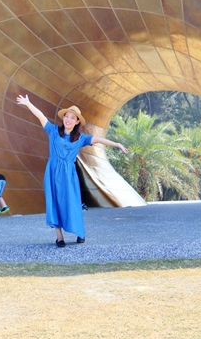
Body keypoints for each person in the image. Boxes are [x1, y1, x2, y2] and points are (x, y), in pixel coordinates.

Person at [15, 94, 128, 247]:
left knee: (72, 202)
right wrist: (28, 104)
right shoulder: (53, 131)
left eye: (72, 117)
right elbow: (40, 116)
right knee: (54, 201)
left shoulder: (81, 139)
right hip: (53, 171)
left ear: (77, 121)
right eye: (66, 116)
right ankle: (59, 237)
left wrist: (117, 144)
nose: (68, 119)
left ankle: (80, 233)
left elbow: (99, 140)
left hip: (69, 174)